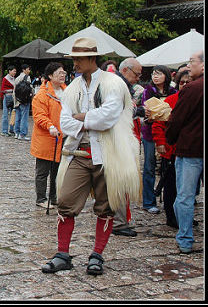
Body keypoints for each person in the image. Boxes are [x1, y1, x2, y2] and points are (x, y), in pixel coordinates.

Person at [41, 37, 140, 276]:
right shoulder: (73, 88)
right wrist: (87, 120)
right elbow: (65, 121)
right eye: (73, 58)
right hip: (79, 152)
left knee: (105, 207)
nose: (74, 63)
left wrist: (81, 117)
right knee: (65, 202)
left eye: (78, 59)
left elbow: (109, 116)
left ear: (91, 58)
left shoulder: (113, 83)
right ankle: (62, 253)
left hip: (107, 154)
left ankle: (97, 254)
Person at [166, 50, 204, 254]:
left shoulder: (193, 89)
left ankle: (185, 239)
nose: (188, 66)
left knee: (185, 197)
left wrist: (170, 139)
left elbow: (176, 119)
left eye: (191, 62)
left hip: (191, 149)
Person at [110, 57, 145, 237]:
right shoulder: (116, 86)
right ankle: (118, 222)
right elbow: (114, 113)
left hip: (122, 138)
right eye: (137, 74)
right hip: (117, 140)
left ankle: (118, 220)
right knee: (119, 181)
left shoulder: (119, 84)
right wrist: (138, 111)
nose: (138, 78)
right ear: (125, 70)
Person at [152, 68, 192, 229]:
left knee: (188, 188)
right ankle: (171, 216)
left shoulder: (197, 99)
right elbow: (157, 124)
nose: (185, 85)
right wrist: (160, 143)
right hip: (172, 151)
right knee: (171, 186)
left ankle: (184, 217)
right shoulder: (170, 100)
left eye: (188, 82)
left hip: (191, 150)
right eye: (182, 82)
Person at [141, 65, 176, 214]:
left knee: (168, 168)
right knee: (149, 166)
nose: (156, 76)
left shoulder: (173, 91)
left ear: (166, 76)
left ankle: (170, 199)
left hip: (169, 133)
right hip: (150, 132)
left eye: (159, 74)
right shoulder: (148, 91)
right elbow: (145, 112)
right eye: (154, 74)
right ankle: (149, 201)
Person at [31, 62, 66, 209]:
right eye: (59, 73)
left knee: (57, 170)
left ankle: (54, 196)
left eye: (64, 72)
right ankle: (41, 198)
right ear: (50, 76)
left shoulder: (67, 92)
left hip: (62, 137)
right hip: (46, 138)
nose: (63, 75)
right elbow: (39, 116)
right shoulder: (42, 95)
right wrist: (50, 126)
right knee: (43, 171)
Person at [13, 64, 32, 140]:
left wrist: (15, 101)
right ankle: (23, 134)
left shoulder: (17, 78)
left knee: (18, 117)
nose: (29, 71)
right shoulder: (27, 78)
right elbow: (30, 89)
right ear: (24, 70)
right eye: (28, 69)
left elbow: (14, 90)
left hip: (17, 100)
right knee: (24, 117)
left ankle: (16, 133)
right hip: (25, 100)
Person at [0, 66, 17, 136]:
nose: (15, 72)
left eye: (15, 71)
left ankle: (11, 129)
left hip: (13, 98)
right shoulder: (5, 79)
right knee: (5, 114)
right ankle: (4, 131)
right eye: (13, 71)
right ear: (9, 71)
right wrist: (12, 90)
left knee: (13, 114)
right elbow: (3, 89)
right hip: (7, 97)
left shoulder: (14, 79)